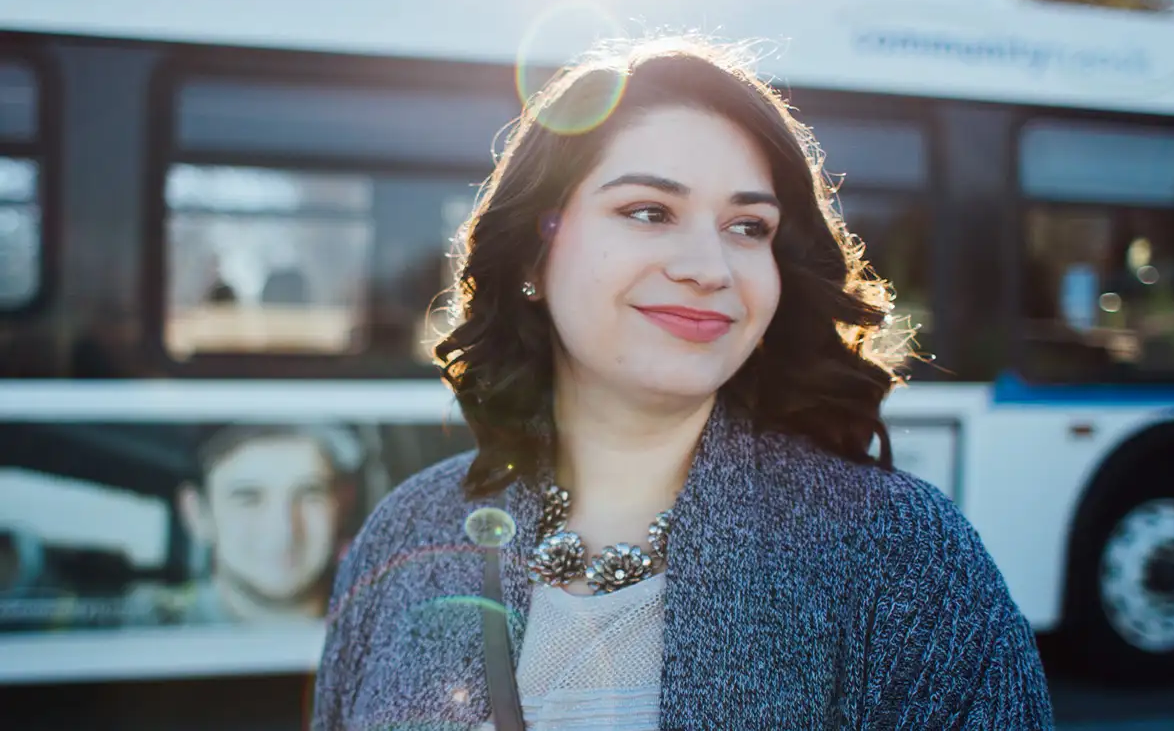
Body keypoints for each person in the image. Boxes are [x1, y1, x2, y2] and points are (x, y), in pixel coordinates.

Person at [313, 36, 1053, 729]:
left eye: (748, 227)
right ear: (534, 257)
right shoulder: (407, 532)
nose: (709, 267)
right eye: (648, 211)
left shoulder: (903, 557)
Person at [138, 424, 351, 625]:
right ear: (197, 514)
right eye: (248, 497)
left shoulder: (375, 627)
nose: (283, 530)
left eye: (310, 493)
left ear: (340, 506)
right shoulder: (138, 629)